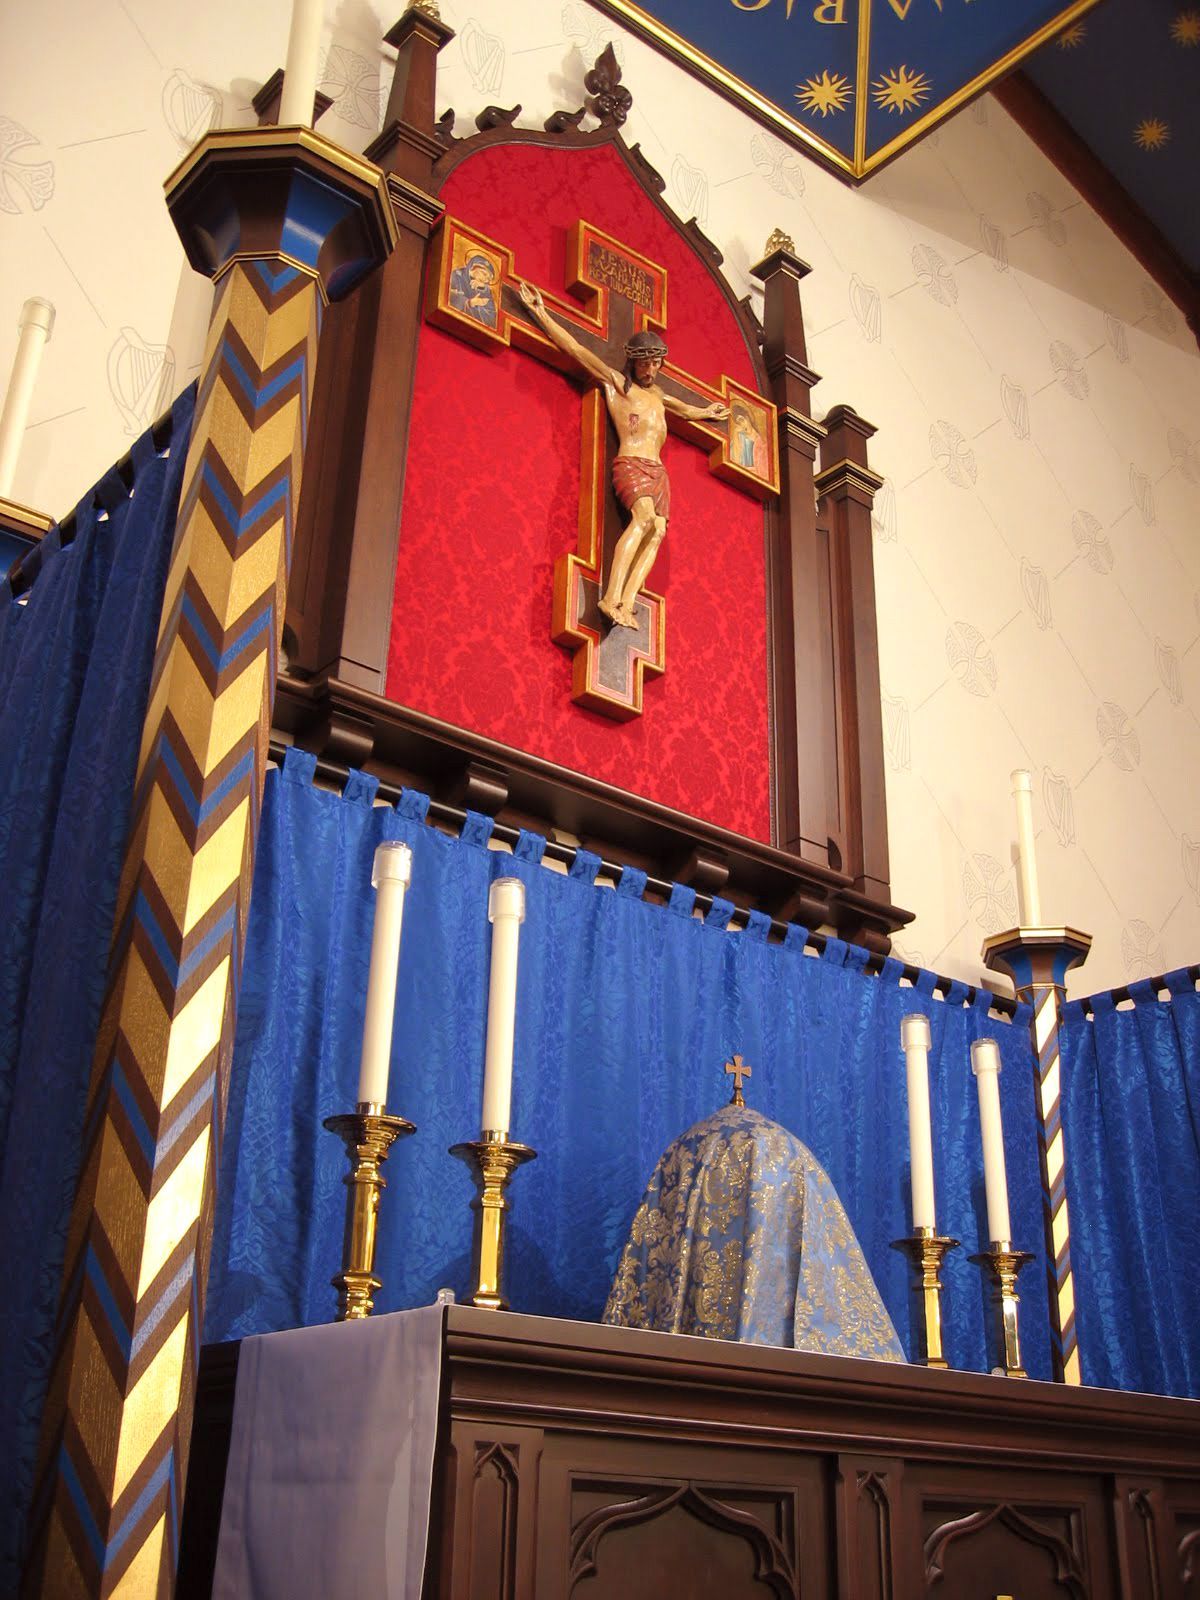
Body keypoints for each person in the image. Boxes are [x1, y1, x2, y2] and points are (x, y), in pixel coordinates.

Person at [519, 281, 729, 627]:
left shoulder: (659, 395)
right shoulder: (619, 384)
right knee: (643, 519)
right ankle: (611, 596)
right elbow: (576, 350)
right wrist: (540, 312)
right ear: (634, 363)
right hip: (631, 463)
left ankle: (627, 603)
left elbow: (686, 411)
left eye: (656, 364)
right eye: (645, 364)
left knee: (658, 531)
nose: (650, 371)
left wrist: (708, 412)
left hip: (658, 472)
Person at [449, 253, 498, 328]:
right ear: (473, 267)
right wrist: (469, 302)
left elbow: (492, 317)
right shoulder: (456, 276)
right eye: (484, 274)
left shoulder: (484, 288)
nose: (485, 280)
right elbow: (447, 295)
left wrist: (482, 288)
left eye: (488, 279)